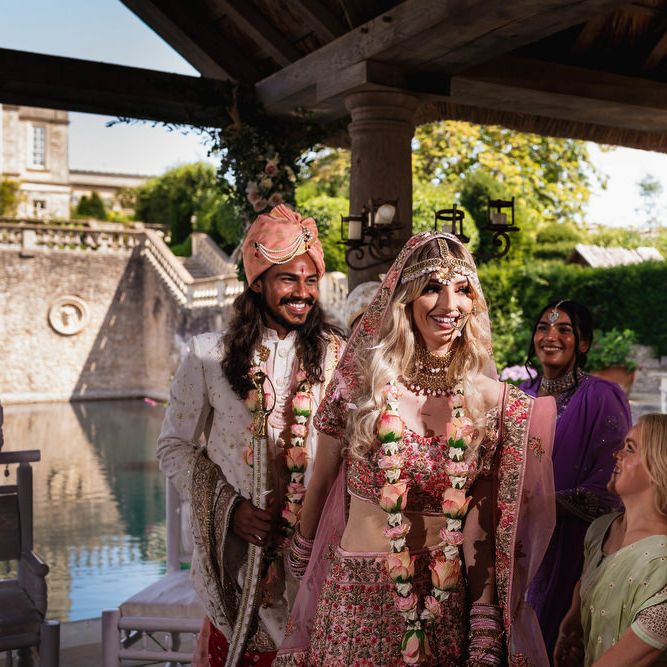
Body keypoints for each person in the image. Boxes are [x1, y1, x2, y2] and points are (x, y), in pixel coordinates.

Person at [276, 231, 556, 666]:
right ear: (405, 299)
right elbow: (324, 476)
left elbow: (480, 517)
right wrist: (301, 546)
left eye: (462, 290)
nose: (450, 304)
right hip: (357, 597)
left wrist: (483, 615)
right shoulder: (361, 386)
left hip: (442, 599)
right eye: (432, 288)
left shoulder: (488, 402)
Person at [157, 204, 344, 666]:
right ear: (257, 282)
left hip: (317, 554)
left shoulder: (337, 357)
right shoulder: (208, 356)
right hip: (239, 560)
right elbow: (173, 447)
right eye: (288, 279)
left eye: (311, 281)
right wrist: (230, 508)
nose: (302, 293)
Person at [520, 300, 631, 656]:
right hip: (519, 544)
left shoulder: (601, 397)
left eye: (564, 330)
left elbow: (611, 486)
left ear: (583, 343)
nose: (550, 336)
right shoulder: (519, 397)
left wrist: (541, 504)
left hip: (572, 549)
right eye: (543, 328)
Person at [554, 413, 667, 667]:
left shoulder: (662, 564)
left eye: (630, 449)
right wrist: (572, 627)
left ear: (659, 468)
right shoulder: (600, 530)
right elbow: (588, 582)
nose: (616, 454)